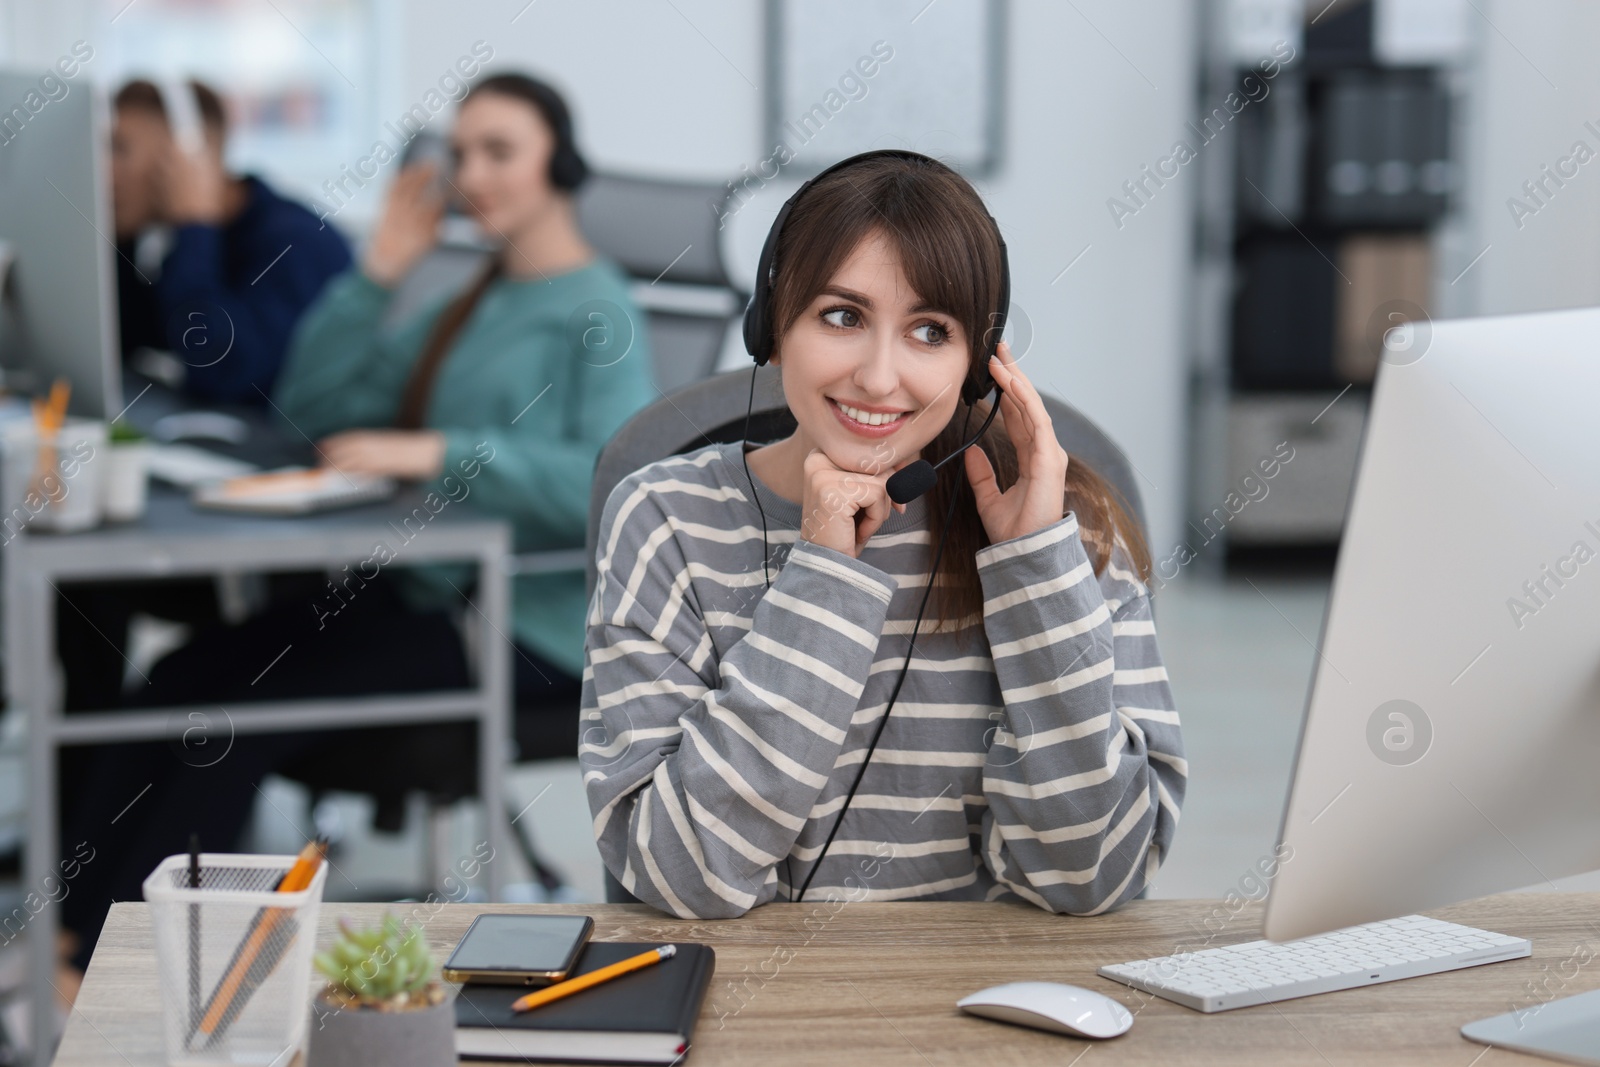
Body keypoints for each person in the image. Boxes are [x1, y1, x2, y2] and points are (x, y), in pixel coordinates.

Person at [57, 72, 653, 993]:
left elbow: (606, 478)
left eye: (500, 151)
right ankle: (75, 945)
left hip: (512, 627)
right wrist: (377, 275)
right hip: (412, 591)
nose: (472, 175)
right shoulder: (472, 295)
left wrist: (436, 449)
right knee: (171, 681)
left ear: (561, 165)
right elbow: (314, 406)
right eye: (460, 154)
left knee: (230, 718)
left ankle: (143, 975)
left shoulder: (597, 307)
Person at [582, 151, 1185, 917]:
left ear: (978, 364)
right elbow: (683, 874)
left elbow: (1096, 876)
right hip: (743, 1013)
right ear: (772, 327)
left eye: (930, 331)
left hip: (984, 1008)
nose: (878, 376)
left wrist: (1037, 577)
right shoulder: (666, 519)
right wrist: (823, 575)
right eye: (843, 316)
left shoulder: (1068, 530)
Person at [111, 78, 352, 402]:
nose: (106, 169)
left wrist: (195, 223)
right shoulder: (181, 242)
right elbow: (124, 342)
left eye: (119, 148)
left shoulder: (293, 243)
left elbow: (222, 373)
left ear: (189, 153)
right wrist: (117, 238)